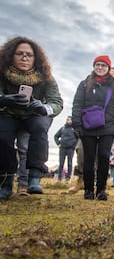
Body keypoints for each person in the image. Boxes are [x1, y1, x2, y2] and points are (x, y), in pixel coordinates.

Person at [0, 36, 63, 200]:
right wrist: (4, 99)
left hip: (34, 114)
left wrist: (43, 108)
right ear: (10, 55)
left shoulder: (46, 77)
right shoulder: (2, 74)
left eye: (29, 54)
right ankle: (5, 183)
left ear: (36, 58)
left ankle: (34, 178)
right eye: (19, 53)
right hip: (8, 113)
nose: (24, 57)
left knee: (39, 129)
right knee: (3, 138)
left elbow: (56, 102)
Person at [72, 55, 114, 200]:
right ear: (94, 67)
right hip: (88, 127)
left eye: (103, 65)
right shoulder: (84, 84)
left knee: (104, 156)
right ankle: (88, 189)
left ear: (108, 68)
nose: (100, 68)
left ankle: (101, 190)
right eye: (98, 65)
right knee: (89, 158)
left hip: (108, 127)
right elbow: (77, 104)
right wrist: (77, 124)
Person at [54, 116, 78, 183]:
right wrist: (58, 143)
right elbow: (56, 136)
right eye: (67, 119)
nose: (68, 121)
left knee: (69, 163)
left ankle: (68, 178)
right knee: (61, 163)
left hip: (70, 148)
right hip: (62, 148)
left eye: (69, 119)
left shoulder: (74, 129)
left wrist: (74, 146)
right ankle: (59, 178)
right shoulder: (62, 128)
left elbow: (78, 138)